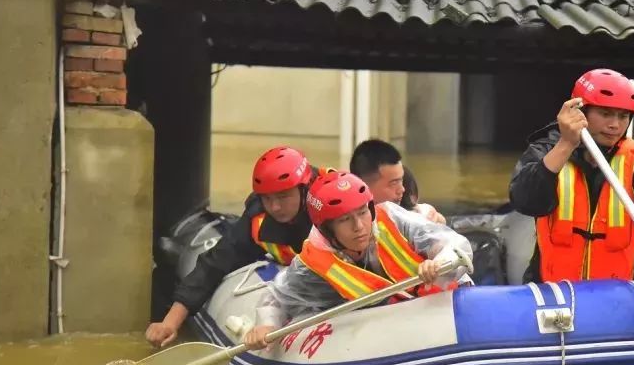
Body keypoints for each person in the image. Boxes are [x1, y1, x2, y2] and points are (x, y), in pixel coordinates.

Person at [508, 68, 634, 286]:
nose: (615, 125)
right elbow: (525, 201)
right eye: (606, 114)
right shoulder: (548, 150)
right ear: (580, 112)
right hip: (555, 295)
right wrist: (567, 144)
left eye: (623, 116)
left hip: (615, 297)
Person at [243, 171, 473, 349]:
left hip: (445, 310)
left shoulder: (394, 217)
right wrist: (266, 325)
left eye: (363, 213)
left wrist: (438, 263)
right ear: (327, 229)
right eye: (345, 220)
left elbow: (453, 245)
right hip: (392, 334)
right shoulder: (311, 264)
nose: (359, 227)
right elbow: (277, 298)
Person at [145, 146, 319, 348]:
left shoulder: (332, 210)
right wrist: (170, 322)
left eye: (283, 197)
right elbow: (216, 262)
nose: (275, 207)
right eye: (268, 198)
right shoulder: (258, 215)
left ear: (304, 188)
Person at [350, 138, 446, 224]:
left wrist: (438, 219)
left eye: (401, 180)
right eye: (394, 183)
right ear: (364, 186)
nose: (402, 189)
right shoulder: (353, 226)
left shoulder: (417, 215)